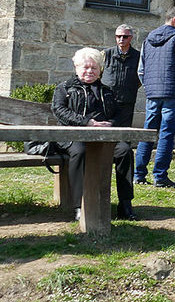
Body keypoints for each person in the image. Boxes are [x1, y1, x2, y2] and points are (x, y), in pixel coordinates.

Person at [52, 47, 136, 221]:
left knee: (124, 151)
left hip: (102, 138)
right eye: (85, 67)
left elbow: (120, 113)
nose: (89, 71)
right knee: (79, 152)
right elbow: (59, 110)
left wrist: (111, 123)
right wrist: (86, 122)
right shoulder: (64, 88)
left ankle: (125, 204)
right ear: (77, 68)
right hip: (71, 136)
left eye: (94, 68)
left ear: (100, 70)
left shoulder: (107, 91)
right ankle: (79, 205)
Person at [134, 6, 175, 188]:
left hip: (153, 93)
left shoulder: (148, 38)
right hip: (173, 92)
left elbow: (141, 69)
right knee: (167, 134)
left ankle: (139, 174)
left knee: (148, 131)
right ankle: (159, 176)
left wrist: (149, 87)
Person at [101, 24, 141, 127]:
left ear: (131, 38)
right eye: (118, 36)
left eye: (125, 36)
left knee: (124, 135)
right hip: (107, 101)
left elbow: (141, 78)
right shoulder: (106, 54)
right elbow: (98, 75)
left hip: (127, 102)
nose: (121, 39)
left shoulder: (138, 57)